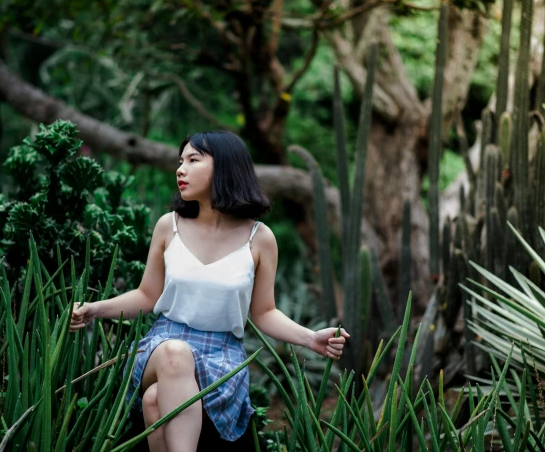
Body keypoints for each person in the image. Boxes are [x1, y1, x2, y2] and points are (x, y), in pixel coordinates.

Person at [69, 130, 350, 452]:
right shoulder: (168, 225)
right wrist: (95, 308)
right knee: (177, 354)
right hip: (162, 345)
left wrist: (310, 338)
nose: (180, 169)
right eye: (180, 161)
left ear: (225, 168)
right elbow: (147, 296)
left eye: (193, 160)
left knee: (153, 401)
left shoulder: (259, 238)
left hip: (222, 355)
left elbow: (264, 312)